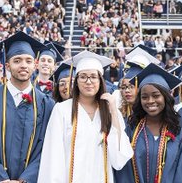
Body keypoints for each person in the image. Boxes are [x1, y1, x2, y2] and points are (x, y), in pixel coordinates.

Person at [38, 51, 133, 182]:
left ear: (100, 81)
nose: (88, 81)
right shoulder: (62, 110)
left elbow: (119, 159)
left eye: (93, 77)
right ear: (76, 82)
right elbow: (53, 156)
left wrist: (113, 112)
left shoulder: (108, 110)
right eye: (83, 77)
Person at [0, 32, 55, 183]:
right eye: (17, 60)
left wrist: (26, 178)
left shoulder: (46, 104)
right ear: (8, 66)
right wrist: (0, 178)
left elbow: (46, 146)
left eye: (28, 61)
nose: (23, 65)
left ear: (35, 65)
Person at [115, 63, 182, 182]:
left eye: (156, 96)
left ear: (165, 97)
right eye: (144, 97)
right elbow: (124, 172)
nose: (150, 101)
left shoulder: (180, 135)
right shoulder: (131, 132)